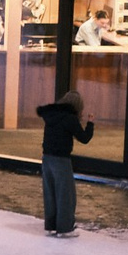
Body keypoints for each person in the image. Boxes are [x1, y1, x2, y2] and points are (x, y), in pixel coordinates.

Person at [35, 87, 92, 237]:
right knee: (65, 194)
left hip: (46, 158)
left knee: (51, 192)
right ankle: (65, 228)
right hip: (61, 160)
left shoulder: (51, 114)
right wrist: (90, 123)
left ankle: (51, 225)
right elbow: (84, 138)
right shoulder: (69, 118)